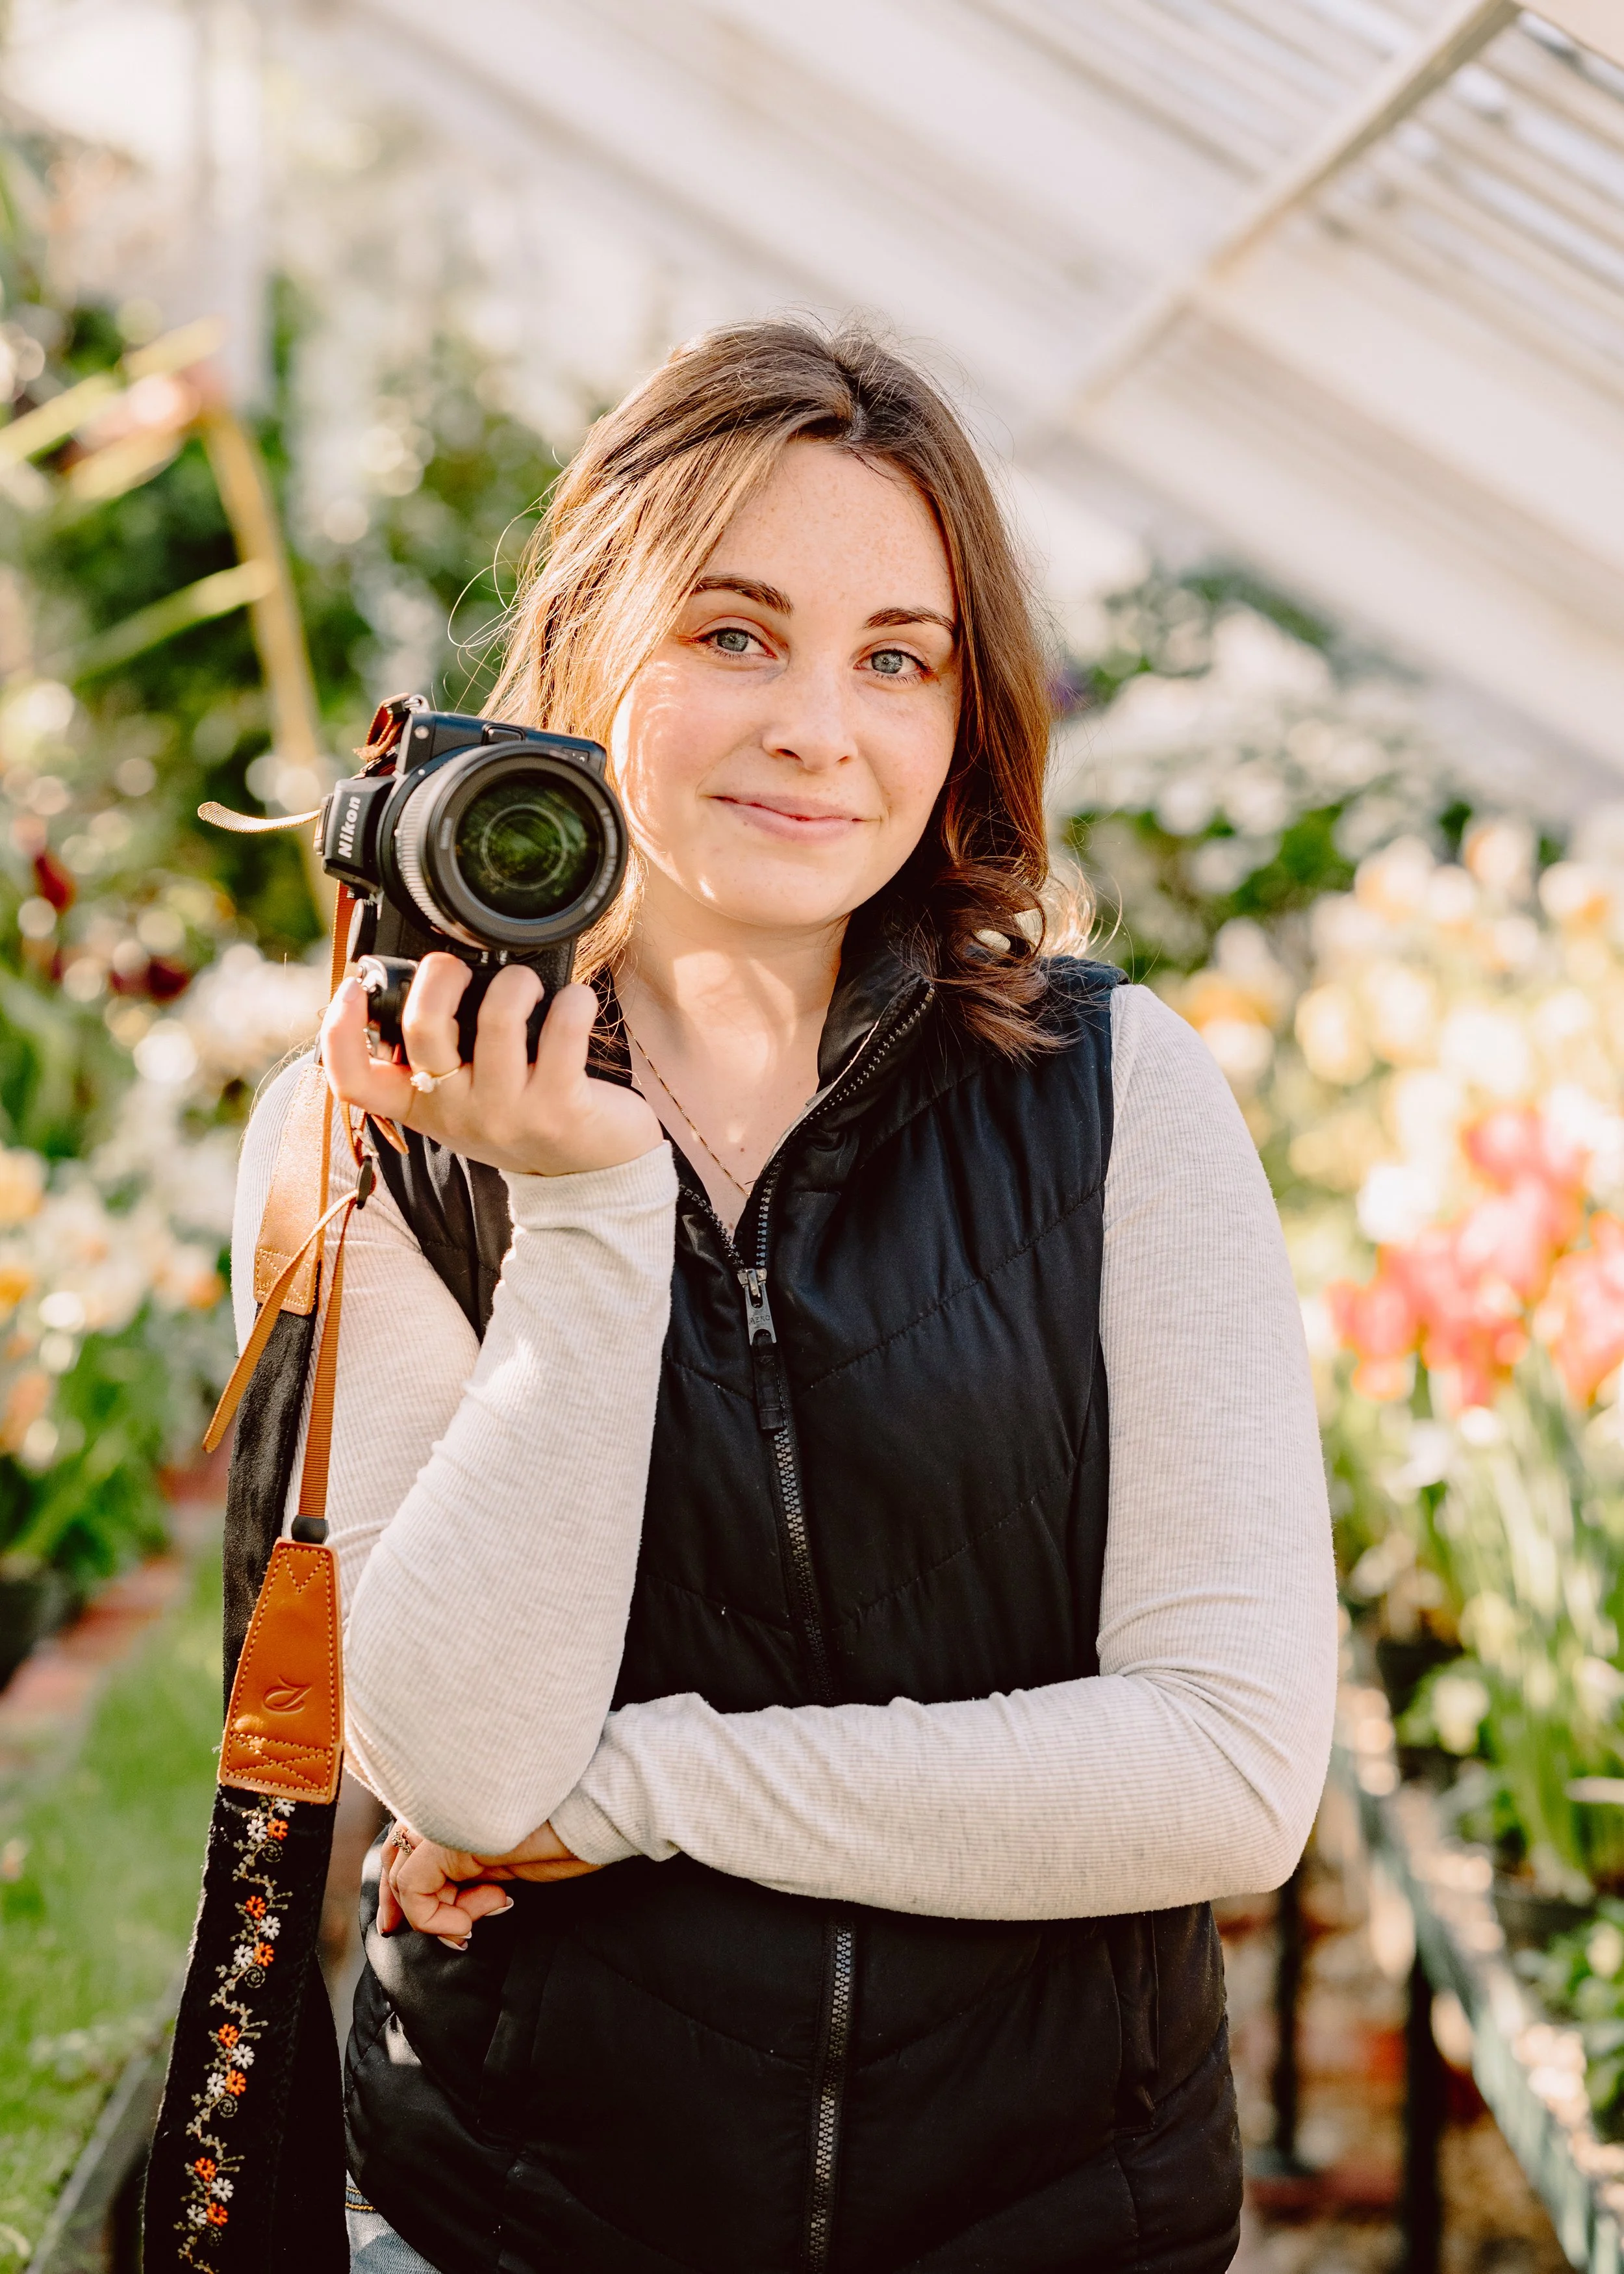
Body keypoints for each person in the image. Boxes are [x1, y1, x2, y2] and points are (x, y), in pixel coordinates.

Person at [232, 320, 1336, 2274]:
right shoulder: (374, 1125)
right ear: (591, 649)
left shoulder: (1113, 1098)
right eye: (733, 633)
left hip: (1052, 2220)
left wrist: (639, 1787)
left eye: (894, 656)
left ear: (964, 706)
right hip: (522, 2222)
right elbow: (470, 1767)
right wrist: (582, 1207)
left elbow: (1224, 1770)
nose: (819, 726)